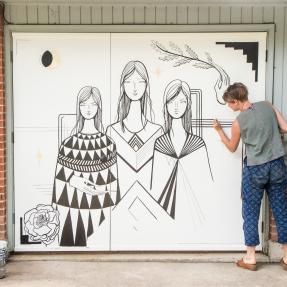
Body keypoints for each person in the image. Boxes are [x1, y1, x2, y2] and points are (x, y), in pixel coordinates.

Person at [213, 82, 287, 271]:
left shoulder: (239, 122)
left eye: (230, 103)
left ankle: (251, 258)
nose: (229, 107)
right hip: (278, 165)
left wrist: (219, 131)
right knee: (281, 209)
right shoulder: (267, 105)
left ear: (236, 101)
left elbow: (232, 148)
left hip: (255, 169)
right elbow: (285, 128)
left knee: (250, 212)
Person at [52, 86, 120, 246]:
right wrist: (73, 181)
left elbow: (114, 186)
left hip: (101, 210)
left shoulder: (108, 144)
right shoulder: (68, 144)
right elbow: (58, 186)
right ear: (78, 107)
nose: (88, 109)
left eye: (92, 104)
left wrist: (100, 191)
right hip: (72, 211)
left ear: (99, 107)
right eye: (83, 104)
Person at [151, 79, 213, 223]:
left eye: (181, 101)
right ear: (165, 106)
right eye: (171, 102)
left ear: (188, 105)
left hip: (196, 211)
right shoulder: (160, 143)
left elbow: (206, 182)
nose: (176, 107)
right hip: (164, 212)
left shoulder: (197, 143)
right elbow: (156, 185)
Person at [106, 60, 163, 195]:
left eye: (139, 81)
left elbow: (160, 175)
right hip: (118, 202)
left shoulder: (157, 131)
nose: (134, 87)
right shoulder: (112, 131)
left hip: (151, 201)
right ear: (123, 85)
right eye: (129, 81)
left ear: (146, 84)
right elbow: (107, 173)